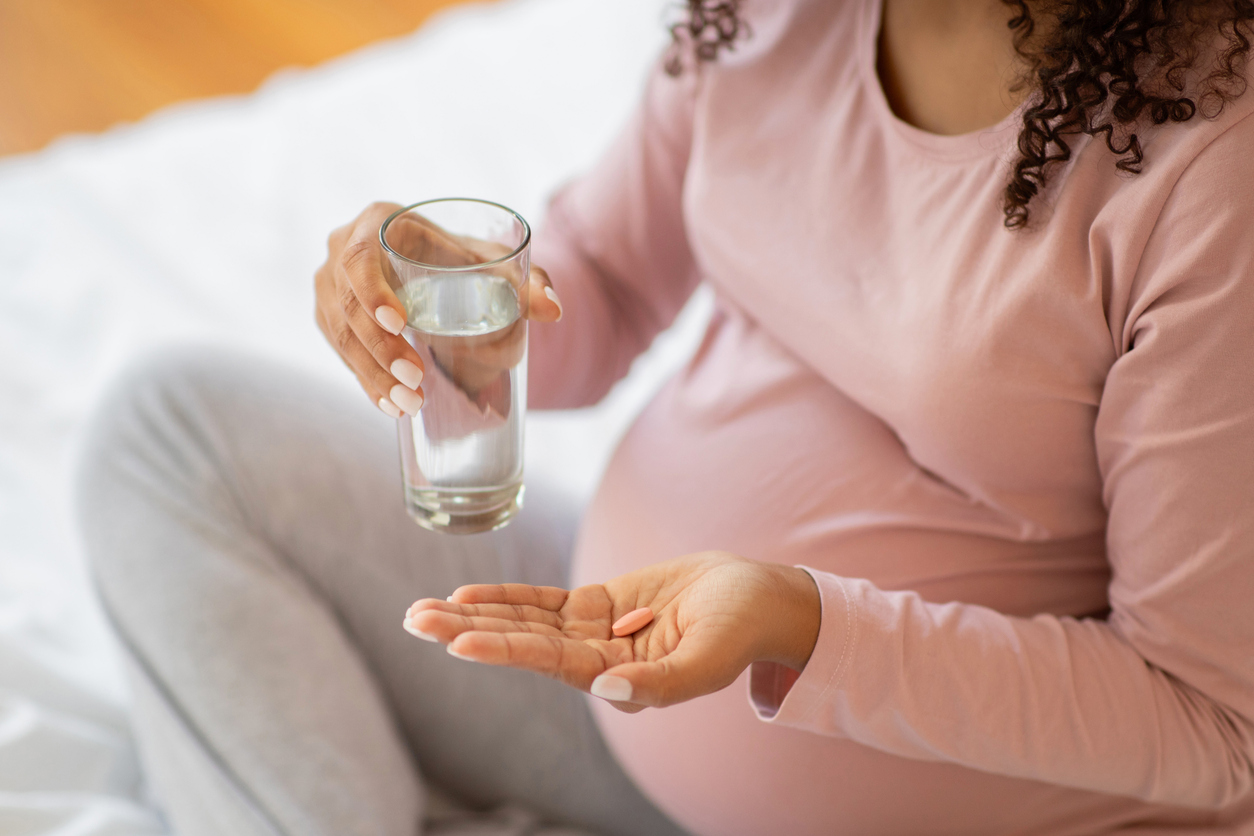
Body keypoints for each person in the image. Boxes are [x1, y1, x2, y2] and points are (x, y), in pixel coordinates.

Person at [75, 0, 1254, 833]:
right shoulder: (771, 12)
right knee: (171, 430)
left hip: (954, 800)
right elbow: (605, 286)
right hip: (615, 671)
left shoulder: (1211, 166)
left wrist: (801, 622)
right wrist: (458, 297)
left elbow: (1210, 719)